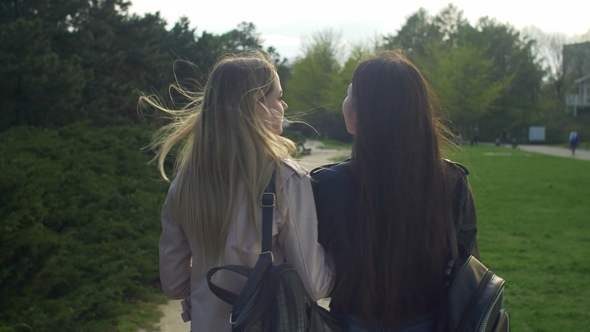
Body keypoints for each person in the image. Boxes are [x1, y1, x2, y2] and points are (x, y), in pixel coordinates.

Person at [141, 53, 334, 332]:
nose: (284, 105)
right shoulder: (285, 178)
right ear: (256, 106)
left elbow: (174, 285)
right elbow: (314, 285)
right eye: (278, 97)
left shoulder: (184, 184)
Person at [311, 51, 479, 332]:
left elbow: (310, 270)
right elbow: (467, 261)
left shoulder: (327, 184)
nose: (346, 102)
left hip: (348, 322)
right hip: (433, 321)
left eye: (350, 94)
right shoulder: (451, 181)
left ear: (364, 110)